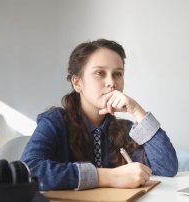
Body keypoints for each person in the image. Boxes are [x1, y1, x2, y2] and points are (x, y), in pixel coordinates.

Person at [21, 39, 178, 191]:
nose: (111, 82)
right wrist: (109, 177)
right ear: (77, 83)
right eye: (100, 73)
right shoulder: (55, 122)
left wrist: (137, 110)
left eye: (117, 74)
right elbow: (28, 170)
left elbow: (167, 168)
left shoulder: (125, 129)